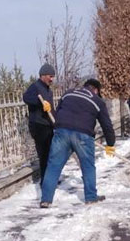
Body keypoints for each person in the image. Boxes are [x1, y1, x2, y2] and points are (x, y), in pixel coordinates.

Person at [39, 79, 115, 208]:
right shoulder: (97, 101)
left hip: (61, 132)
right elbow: (106, 125)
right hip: (83, 136)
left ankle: (46, 199)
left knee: (53, 166)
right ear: (96, 90)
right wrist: (110, 144)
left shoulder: (68, 93)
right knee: (88, 166)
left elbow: (59, 111)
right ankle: (90, 197)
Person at [22, 64, 56, 181]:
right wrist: (39, 102)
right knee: (44, 155)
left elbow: (51, 109)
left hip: (48, 125)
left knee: (51, 154)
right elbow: (26, 98)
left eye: (53, 77)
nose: (52, 79)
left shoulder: (48, 90)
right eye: (50, 76)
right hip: (38, 126)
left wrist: (57, 122)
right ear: (43, 75)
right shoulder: (35, 87)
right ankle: (45, 182)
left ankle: (50, 179)